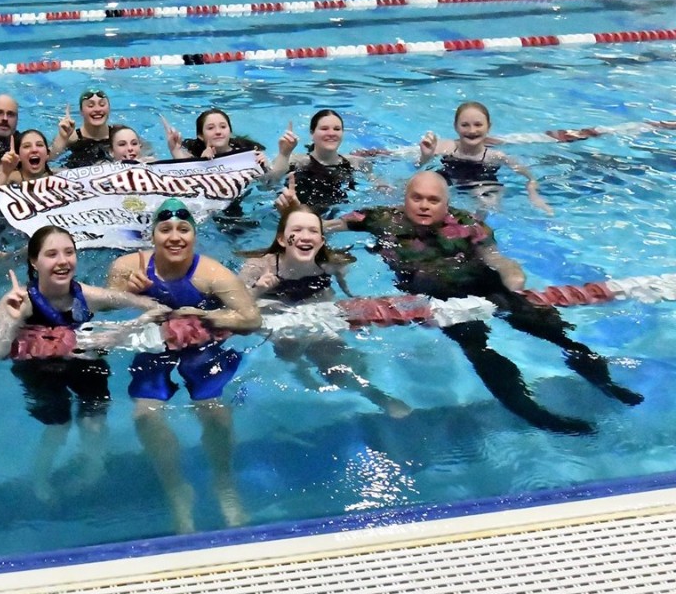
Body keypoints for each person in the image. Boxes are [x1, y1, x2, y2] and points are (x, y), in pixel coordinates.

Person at [325, 171, 640, 434]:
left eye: (433, 200)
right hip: (441, 297)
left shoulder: (466, 223)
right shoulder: (380, 218)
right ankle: (531, 411)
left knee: (556, 332)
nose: (423, 206)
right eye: (416, 198)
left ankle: (606, 384)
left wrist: (513, 277)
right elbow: (327, 227)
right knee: (478, 348)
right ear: (405, 198)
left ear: (446, 203)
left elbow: (496, 259)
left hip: (484, 283)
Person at [107, 198, 262, 533]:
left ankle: (223, 481)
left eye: (183, 229)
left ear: (194, 235)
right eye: (165, 230)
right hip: (155, 345)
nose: (174, 237)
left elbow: (251, 319)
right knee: (145, 416)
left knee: (214, 411)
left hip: (203, 344)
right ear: (153, 236)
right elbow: (103, 307)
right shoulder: (126, 267)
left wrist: (204, 315)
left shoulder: (213, 274)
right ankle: (177, 488)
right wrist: (128, 295)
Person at [0, 226, 166, 501]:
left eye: (69, 252)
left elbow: (154, 308)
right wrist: (11, 318)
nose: (62, 261)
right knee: (58, 427)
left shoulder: (88, 295)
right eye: (52, 254)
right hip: (40, 370)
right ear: (34, 262)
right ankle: (40, 478)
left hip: (84, 362)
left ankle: (93, 470)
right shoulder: (20, 302)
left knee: (94, 423)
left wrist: (120, 334)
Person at [238, 205, 410, 417]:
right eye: (297, 230)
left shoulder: (330, 265)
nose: (305, 236)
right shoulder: (259, 267)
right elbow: (237, 304)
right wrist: (259, 289)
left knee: (336, 363)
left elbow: (347, 294)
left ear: (321, 240)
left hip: (314, 311)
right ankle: (299, 369)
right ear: (282, 240)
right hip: (275, 310)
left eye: (313, 231)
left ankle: (376, 395)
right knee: (289, 350)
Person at [418, 101, 552, 214]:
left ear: (488, 127)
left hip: (483, 184)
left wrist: (533, 194)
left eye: (478, 125)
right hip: (448, 180)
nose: (472, 130)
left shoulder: (495, 157)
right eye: (465, 125)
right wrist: (426, 156)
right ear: (456, 127)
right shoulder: (445, 147)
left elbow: (530, 177)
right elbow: (419, 167)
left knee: (488, 204)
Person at [264, 109, 380, 216]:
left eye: (337, 129)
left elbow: (377, 183)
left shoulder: (357, 163)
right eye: (324, 129)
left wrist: (382, 186)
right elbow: (270, 183)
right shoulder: (295, 161)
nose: (331, 133)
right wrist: (284, 153)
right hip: (296, 216)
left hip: (336, 216)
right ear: (312, 133)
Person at [51, 89, 118, 168]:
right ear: (81, 111)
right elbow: (48, 159)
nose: (97, 109)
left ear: (109, 109)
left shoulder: (119, 134)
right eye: (90, 106)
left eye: (102, 104)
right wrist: (62, 138)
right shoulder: (72, 137)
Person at [164, 109, 265, 160]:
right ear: (201, 135)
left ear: (230, 132)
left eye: (223, 127)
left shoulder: (247, 153)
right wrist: (202, 163)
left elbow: (270, 182)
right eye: (210, 128)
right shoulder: (194, 153)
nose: (218, 131)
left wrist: (281, 155)